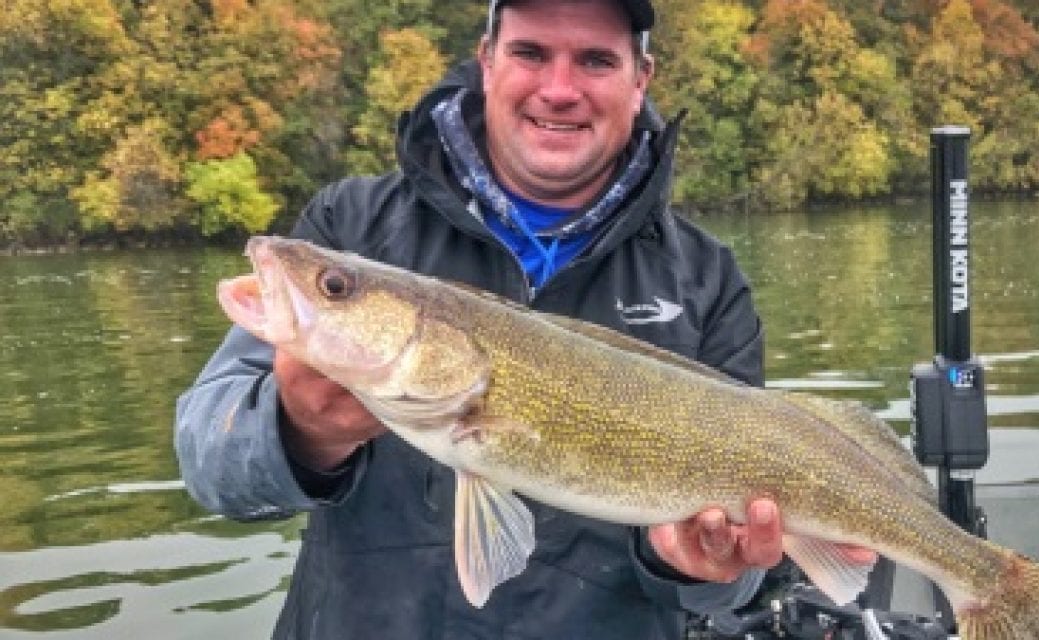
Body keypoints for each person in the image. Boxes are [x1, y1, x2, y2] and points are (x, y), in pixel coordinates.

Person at [175, 1, 873, 638]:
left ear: (641, 79)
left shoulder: (707, 281)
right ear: (487, 61)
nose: (560, 89)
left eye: (596, 60)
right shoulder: (353, 226)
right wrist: (299, 433)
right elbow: (210, 464)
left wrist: (696, 568)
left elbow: (739, 585)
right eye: (531, 52)